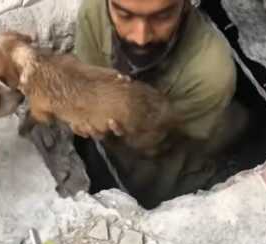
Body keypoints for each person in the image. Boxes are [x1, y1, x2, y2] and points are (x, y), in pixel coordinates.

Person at [71, 0, 241, 209]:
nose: (140, 37)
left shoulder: (212, 73)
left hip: (169, 185)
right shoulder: (93, 13)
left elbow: (158, 143)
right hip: (103, 156)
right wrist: (82, 114)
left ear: (186, 5)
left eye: (162, 16)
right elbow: (85, 87)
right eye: (125, 15)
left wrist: (122, 109)